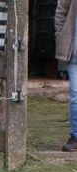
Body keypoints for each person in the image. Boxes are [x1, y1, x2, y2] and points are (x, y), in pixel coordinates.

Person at [55, 0, 77, 150]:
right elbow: (61, 11)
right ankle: (76, 137)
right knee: (76, 95)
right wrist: (60, 34)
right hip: (75, 53)